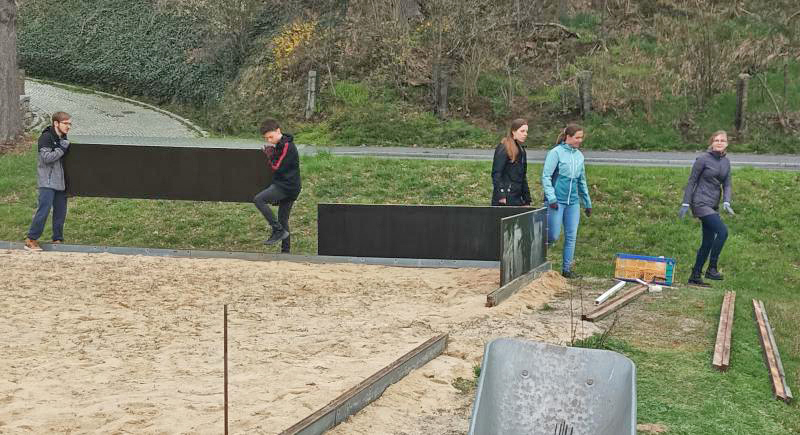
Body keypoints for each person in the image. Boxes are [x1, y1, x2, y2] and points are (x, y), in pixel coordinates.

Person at [679, 130, 734, 287]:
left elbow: (727, 183)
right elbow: (692, 181)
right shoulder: (703, 159)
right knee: (723, 232)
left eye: (722, 140)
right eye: (716, 140)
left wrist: (727, 201)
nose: (719, 142)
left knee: (708, 242)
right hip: (700, 203)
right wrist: (685, 203)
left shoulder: (726, 162)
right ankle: (712, 268)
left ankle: (695, 277)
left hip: (713, 205)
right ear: (711, 143)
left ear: (726, 144)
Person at [541, 124, 592, 278]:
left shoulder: (579, 156)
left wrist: (587, 202)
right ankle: (537, 257)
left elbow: (581, 181)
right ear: (568, 137)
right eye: (577, 137)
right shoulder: (555, 153)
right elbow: (546, 176)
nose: (580, 140)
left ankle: (567, 270)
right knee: (553, 235)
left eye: (581, 137)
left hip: (573, 203)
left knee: (571, 236)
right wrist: (551, 197)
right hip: (556, 202)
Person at [24, 112, 73, 252]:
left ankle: (57, 240)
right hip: (47, 181)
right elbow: (46, 158)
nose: (68, 126)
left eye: (70, 124)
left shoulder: (62, 138)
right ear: (56, 123)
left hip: (60, 182)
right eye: (66, 123)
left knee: (60, 212)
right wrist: (62, 148)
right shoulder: (46, 137)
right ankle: (31, 240)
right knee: (44, 210)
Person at [254, 119, 301, 252]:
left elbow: (276, 166)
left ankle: (277, 230)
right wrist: (273, 152)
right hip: (290, 185)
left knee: (259, 199)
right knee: (283, 219)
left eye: (271, 137)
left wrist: (270, 155)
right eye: (266, 138)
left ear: (278, 131)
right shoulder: (281, 144)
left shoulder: (286, 146)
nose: (269, 140)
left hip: (287, 187)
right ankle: (285, 252)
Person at [491, 118, 531, 206]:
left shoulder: (521, 150)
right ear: (513, 131)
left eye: (526, 131)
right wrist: (501, 195)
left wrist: (527, 199)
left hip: (517, 196)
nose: (525, 134)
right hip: (505, 197)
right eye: (522, 131)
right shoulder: (504, 148)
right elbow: (496, 173)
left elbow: (523, 177)